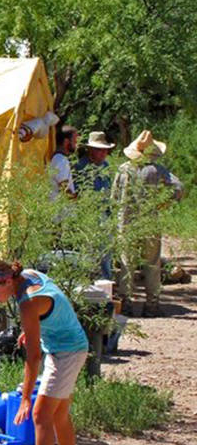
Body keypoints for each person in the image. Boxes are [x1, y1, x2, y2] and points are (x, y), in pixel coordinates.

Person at [0, 259, 88, 445]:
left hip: (66, 352)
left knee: (40, 415)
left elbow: (33, 356)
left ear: (8, 281)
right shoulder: (26, 275)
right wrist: (31, 330)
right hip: (66, 345)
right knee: (59, 414)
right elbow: (52, 309)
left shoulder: (28, 302)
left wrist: (26, 398)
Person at [112, 130, 186, 316]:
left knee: (126, 263)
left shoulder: (123, 169)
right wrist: (164, 202)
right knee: (152, 264)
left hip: (126, 224)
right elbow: (179, 187)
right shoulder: (157, 170)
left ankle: (125, 304)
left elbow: (113, 198)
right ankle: (151, 306)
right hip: (150, 222)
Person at [74, 131, 116, 279]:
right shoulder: (80, 167)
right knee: (90, 251)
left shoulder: (105, 165)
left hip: (105, 213)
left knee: (106, 251)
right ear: (91, 149)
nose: (104, 153)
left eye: (105, 150)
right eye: (100, 149)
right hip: (88, 214)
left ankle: (105, 283)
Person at [48, 124, 78, 201]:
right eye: (75, 141)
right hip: (60, 210)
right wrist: (76, 202)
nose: (76, 145)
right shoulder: (60, 159)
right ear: (66, 142)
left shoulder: (59, 158)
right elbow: (64, 186)